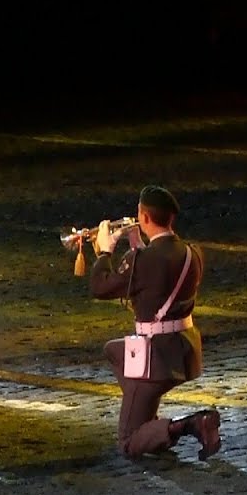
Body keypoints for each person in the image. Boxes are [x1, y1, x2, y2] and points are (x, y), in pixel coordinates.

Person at [88, 185, 220, 462]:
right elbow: (157, 279)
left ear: (144, 217)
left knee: (128, 442)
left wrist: (104, 252)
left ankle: (187, 425)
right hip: (185, 350)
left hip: (155, 357)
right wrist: (138, 247)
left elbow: (100, 287)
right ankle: (147, 417)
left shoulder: (140, 261)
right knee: (114, 350)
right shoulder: (191, 253)